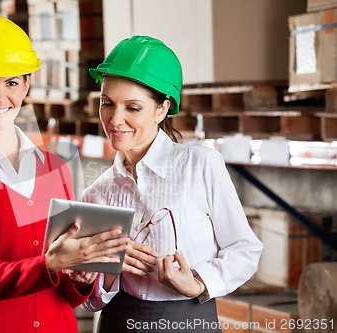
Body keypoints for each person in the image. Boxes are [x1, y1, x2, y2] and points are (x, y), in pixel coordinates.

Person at [0, 16, 129, 333]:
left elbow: (64, 293)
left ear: (27, 84)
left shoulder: (52, 167)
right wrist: (49, 265)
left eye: (12, 83)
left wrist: (80, 277)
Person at [79, 36, 263, 332]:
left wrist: (197, 281)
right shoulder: (97, 193)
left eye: (133, 107)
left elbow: (245, 249)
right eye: (107, 103)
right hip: (119, 322)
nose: (115, 118)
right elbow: (90, 301)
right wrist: (108, 269)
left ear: (162, 109)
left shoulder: (200, 165)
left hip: (188, 320)